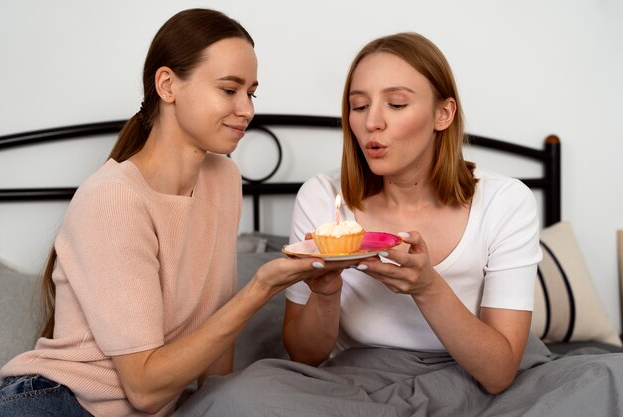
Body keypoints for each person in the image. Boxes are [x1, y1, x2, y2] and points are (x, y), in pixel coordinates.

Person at [0, 8, 348, 417]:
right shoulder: (113, 199)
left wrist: (218, 403)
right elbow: (144, 389)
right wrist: (259, 289)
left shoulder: (224, 179)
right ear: (167, 85)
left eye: (251, 93)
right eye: (229, 90)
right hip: (58, 405)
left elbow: (214, 345)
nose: (247, 110)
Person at [173, 32, 544, 416]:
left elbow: (499, 373)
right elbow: (305, 356)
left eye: (397, 104)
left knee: (605, 380)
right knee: (235, 398)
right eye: (359, 105)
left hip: (472, 380)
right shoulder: (321, 196)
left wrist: (429, 288)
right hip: (354, 384)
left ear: (443, 114)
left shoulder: (505, 201)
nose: (372, 122)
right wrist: (326, 293)